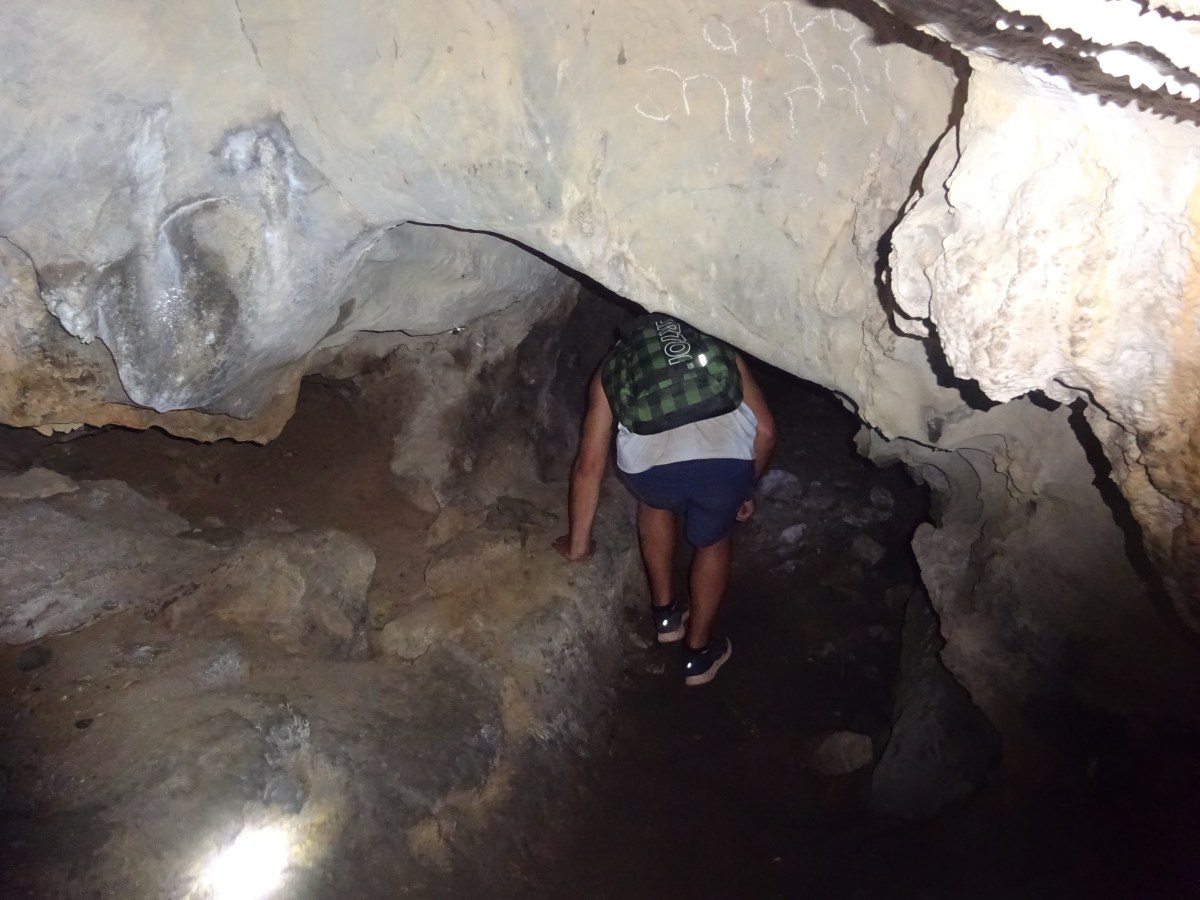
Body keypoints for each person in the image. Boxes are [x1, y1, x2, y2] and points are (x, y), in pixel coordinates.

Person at [553, 314, 776, 686]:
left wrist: (578, 547)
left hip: (650, 472)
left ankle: (666, 617)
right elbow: (766, 431)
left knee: (654, 504)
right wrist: (744, 489)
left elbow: (589, 466)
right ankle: (697, 656)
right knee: (714, 539)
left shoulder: (614, 364)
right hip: (724, 464)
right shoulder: (717, 344)